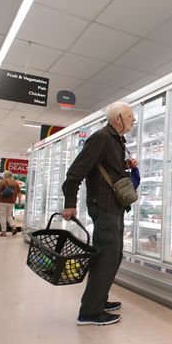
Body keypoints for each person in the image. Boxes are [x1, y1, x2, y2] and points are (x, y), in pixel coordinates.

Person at [62, 101, 138, 326]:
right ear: (118, 119)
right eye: (130, 116)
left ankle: (99, 300)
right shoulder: (101, 138)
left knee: (114, 255)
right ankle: (90, 312)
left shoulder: (116, 140)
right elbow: (75, 173)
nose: (133, 120)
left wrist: (126, 165)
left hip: (115, 205)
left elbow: (106, 169)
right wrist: (70, 203)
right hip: (104, 206)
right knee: (106, 255)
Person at [0, 170, 21, 236]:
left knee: (3, 216)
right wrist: (20, 201)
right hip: (12, 201)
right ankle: (13, 227)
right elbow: (19, 193)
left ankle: (3, 232)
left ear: (4, 175)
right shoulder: (16, 183)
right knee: (9, 215)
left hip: (2, 201)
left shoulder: (3, 182)